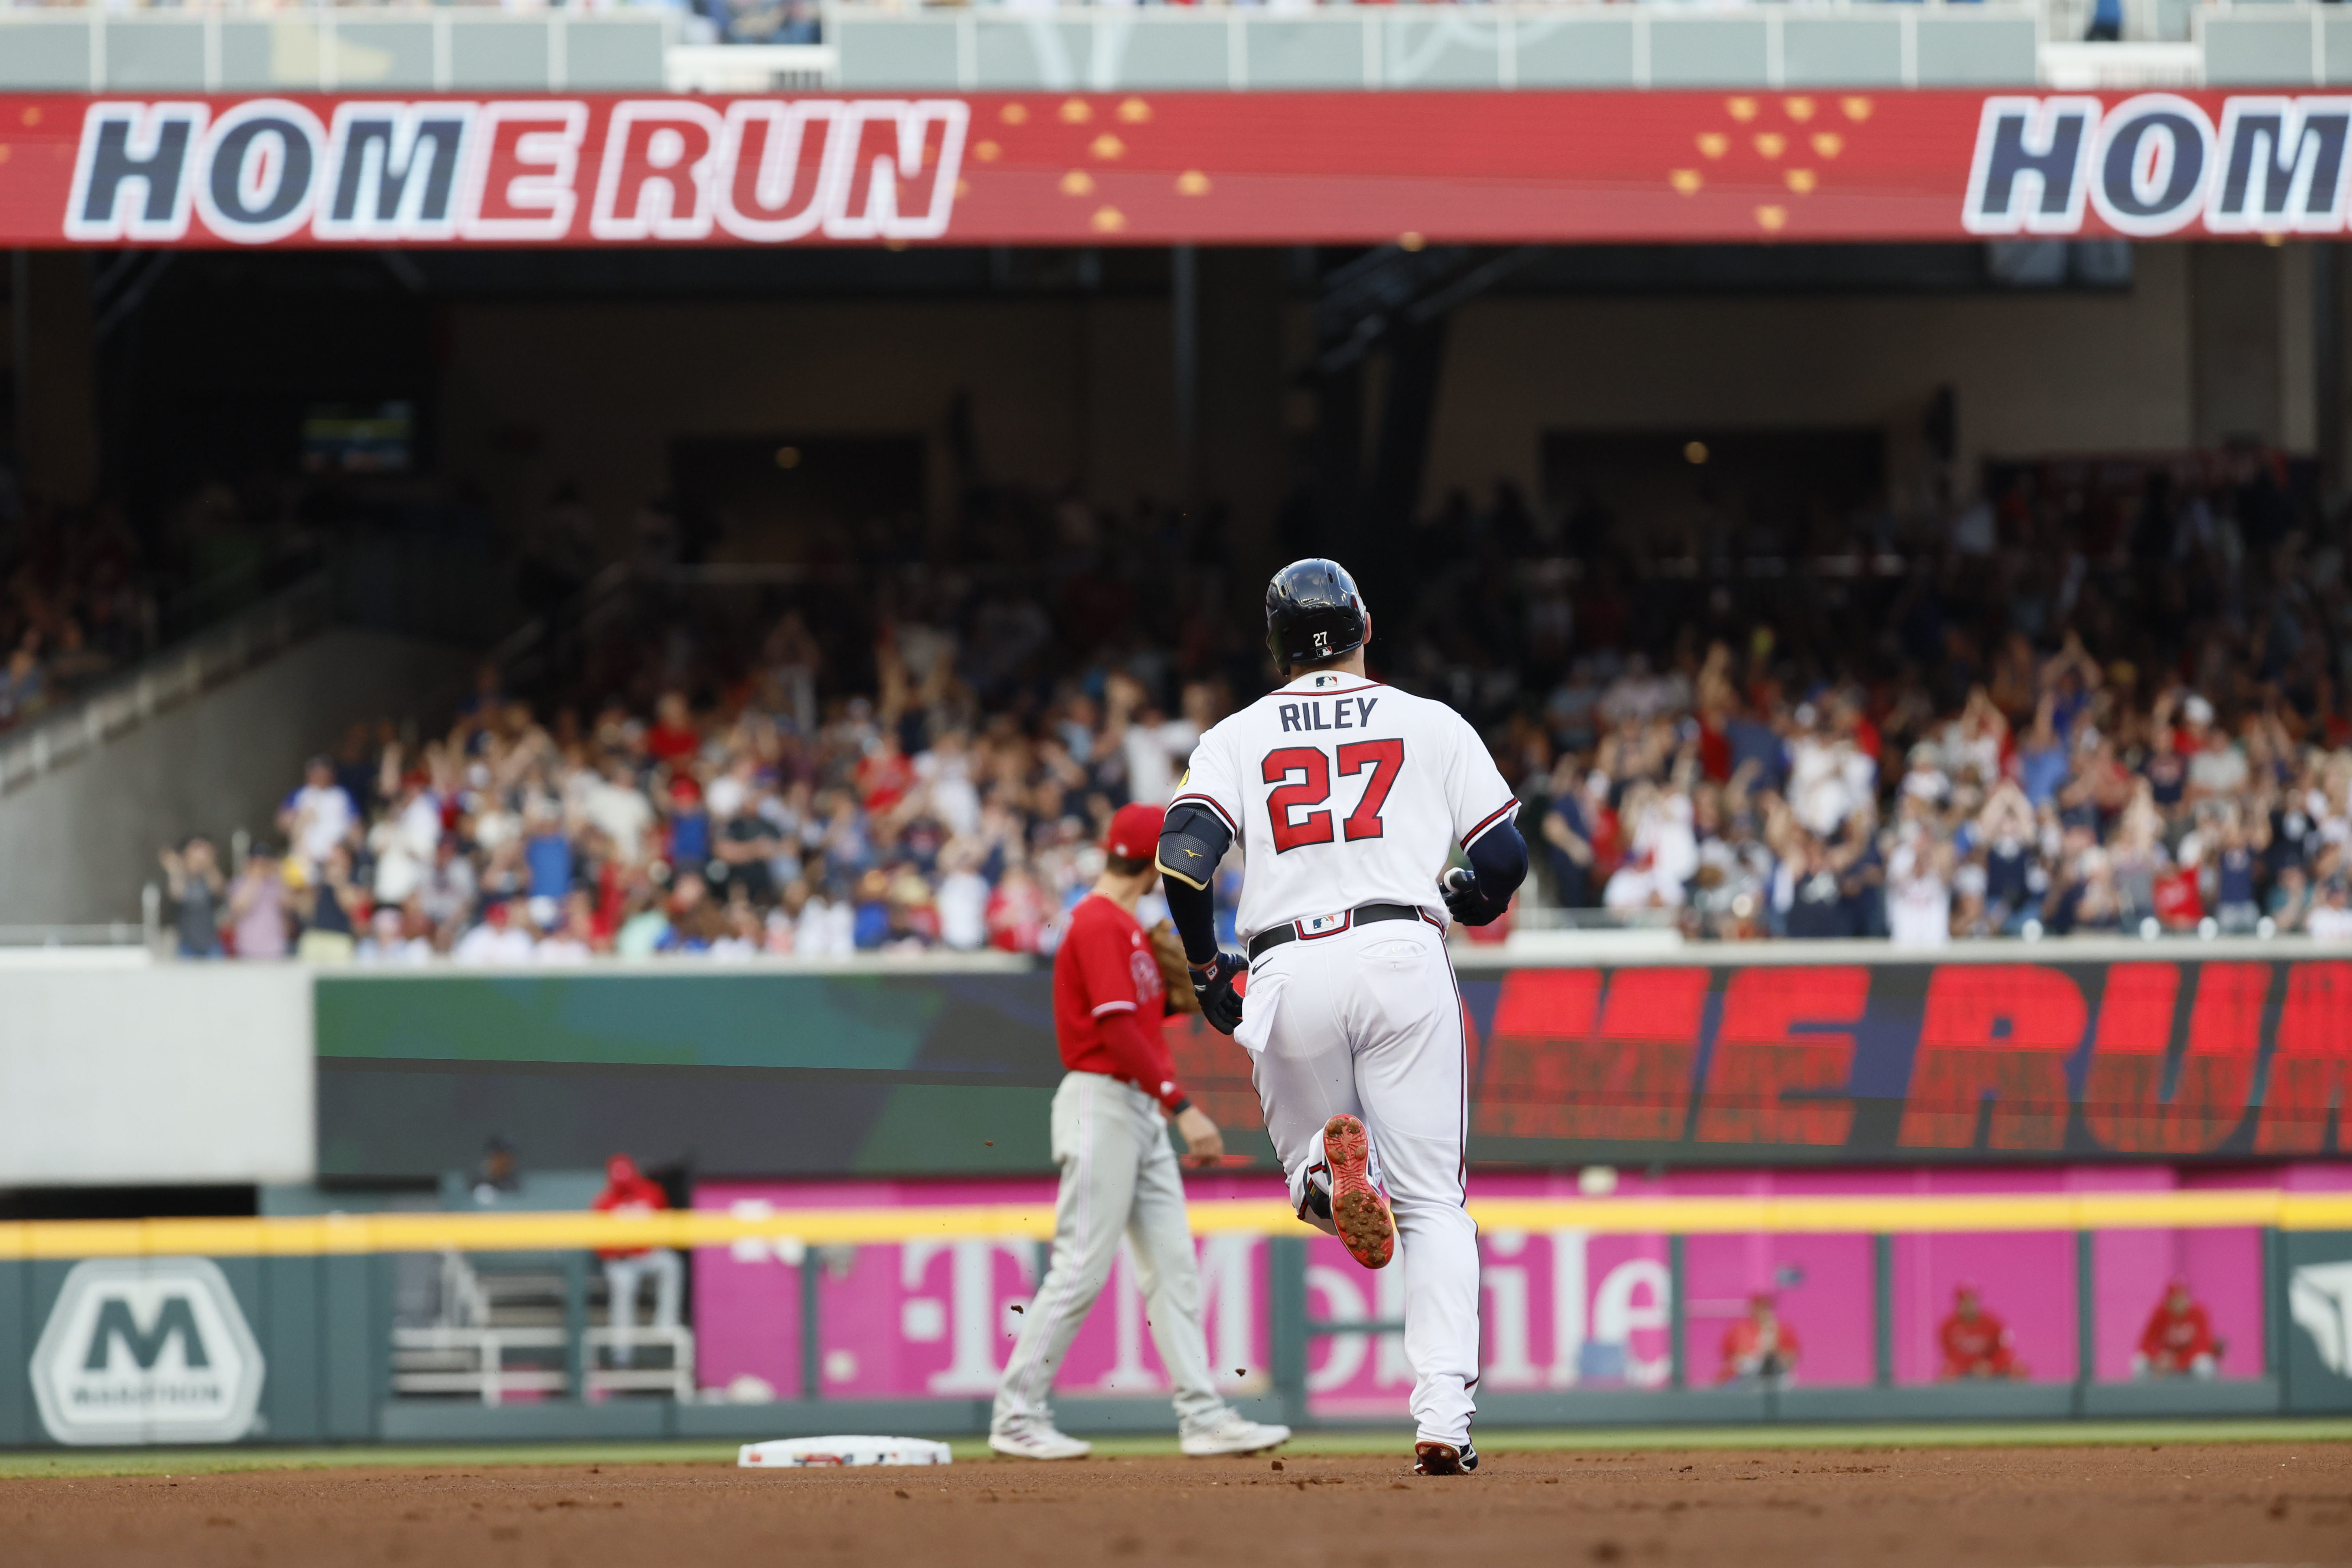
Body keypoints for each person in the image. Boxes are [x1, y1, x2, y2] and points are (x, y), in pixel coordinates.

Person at [1157, 558, 1527, 1477]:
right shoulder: (1428, 719)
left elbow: (1182, 862)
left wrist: (1206, 966)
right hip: (1400, 950)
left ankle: (1326, 1182)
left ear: (1277, 648)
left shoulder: (1236, 736)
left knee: (1304, 1181)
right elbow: (1505, 853)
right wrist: (1476, 897)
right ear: (1366, 628)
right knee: (1434, 1203)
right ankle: (1442, 1414)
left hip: (1288, 965)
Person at [991, 803, 1290, 1462]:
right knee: (1080, 1268)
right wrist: (1181, 1105)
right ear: (1148, 860)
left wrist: (1171, 997)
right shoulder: (1098, 923)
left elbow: (1139, 1015)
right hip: (1103, 1101)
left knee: (1174, 1270)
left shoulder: (1122, 926)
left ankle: (1202, 1416)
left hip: (1135, 1110)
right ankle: (1016, 1414)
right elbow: (1118, 1029)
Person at [592, 1153, 682, 1368]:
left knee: (671, 1265)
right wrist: (623, 1248)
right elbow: (602, 1248)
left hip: (648, 1255)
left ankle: (665, 1327)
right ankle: (622, 1350)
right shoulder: (604, 1203)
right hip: (621, 1262)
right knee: (623, 1285)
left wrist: (643, 1244)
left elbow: (665, 1227)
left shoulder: (652, 1192)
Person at [2133, 1278, 2221, 1378]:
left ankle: (2204, 1394)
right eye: (2175, 1298)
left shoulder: (2199, 1314)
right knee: (2139, 1362)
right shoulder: (2161, 1314)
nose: (2179, 1302)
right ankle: (2145, 1394)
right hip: (2164, 1364)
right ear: (2168, 1300)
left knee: (2204, 1365)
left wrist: (2177, 1361)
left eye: (2181, 1298)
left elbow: (2203, 1346)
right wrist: (2158, 1356)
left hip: (2189, 1363)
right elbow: (2147, 1342)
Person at [1938, 1283, 2027, 1380]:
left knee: (2018, 1370)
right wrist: (1971, 1365)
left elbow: (2004, 1351)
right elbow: (1951, 1356)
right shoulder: (1948, 1327)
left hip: (1991, 1368)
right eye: (1964, 1301)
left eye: (1971, 1301)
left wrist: (1991, 1365)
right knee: (1946, 1376)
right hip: (1963, 1370)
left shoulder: (1993, 1323)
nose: (1968, 1305)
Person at [159, 836, 225, 958]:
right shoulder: (180, 878)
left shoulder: (208, 877)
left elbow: (220, 890)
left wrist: (209, 863)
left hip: (211, 944)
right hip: (187, 945)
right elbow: (177, 895)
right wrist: (174, 868)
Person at [1718, 1294, 1802, 1386]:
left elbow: (1791, 1358)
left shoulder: (1783, 1330)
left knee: (1787, 1381)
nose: (1762, 1311)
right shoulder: (1738, 1330)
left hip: (1776, 1375)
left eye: (1766, 1307)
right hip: (1745, 1377)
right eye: (1759, 1307)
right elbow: (1731, 1360)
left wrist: (1771, 1343)